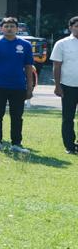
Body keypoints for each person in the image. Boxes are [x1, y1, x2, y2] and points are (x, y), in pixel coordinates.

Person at [0, 16, 36, 153]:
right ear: (1, 29)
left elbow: (28, 67)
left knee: (17, 116)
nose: (9, 28)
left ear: (17, 29)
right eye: (6, 26)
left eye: (12, 26)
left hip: (18, 86)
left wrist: (30, 87)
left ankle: (16, 144)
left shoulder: (25, 45)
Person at [52, 16, 78, 155]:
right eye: (76, 26)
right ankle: (69, 145)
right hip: (68, 85)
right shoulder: (62, 43)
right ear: (70, 27)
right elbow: (57, 66)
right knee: (68, 117)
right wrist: (57, 86)